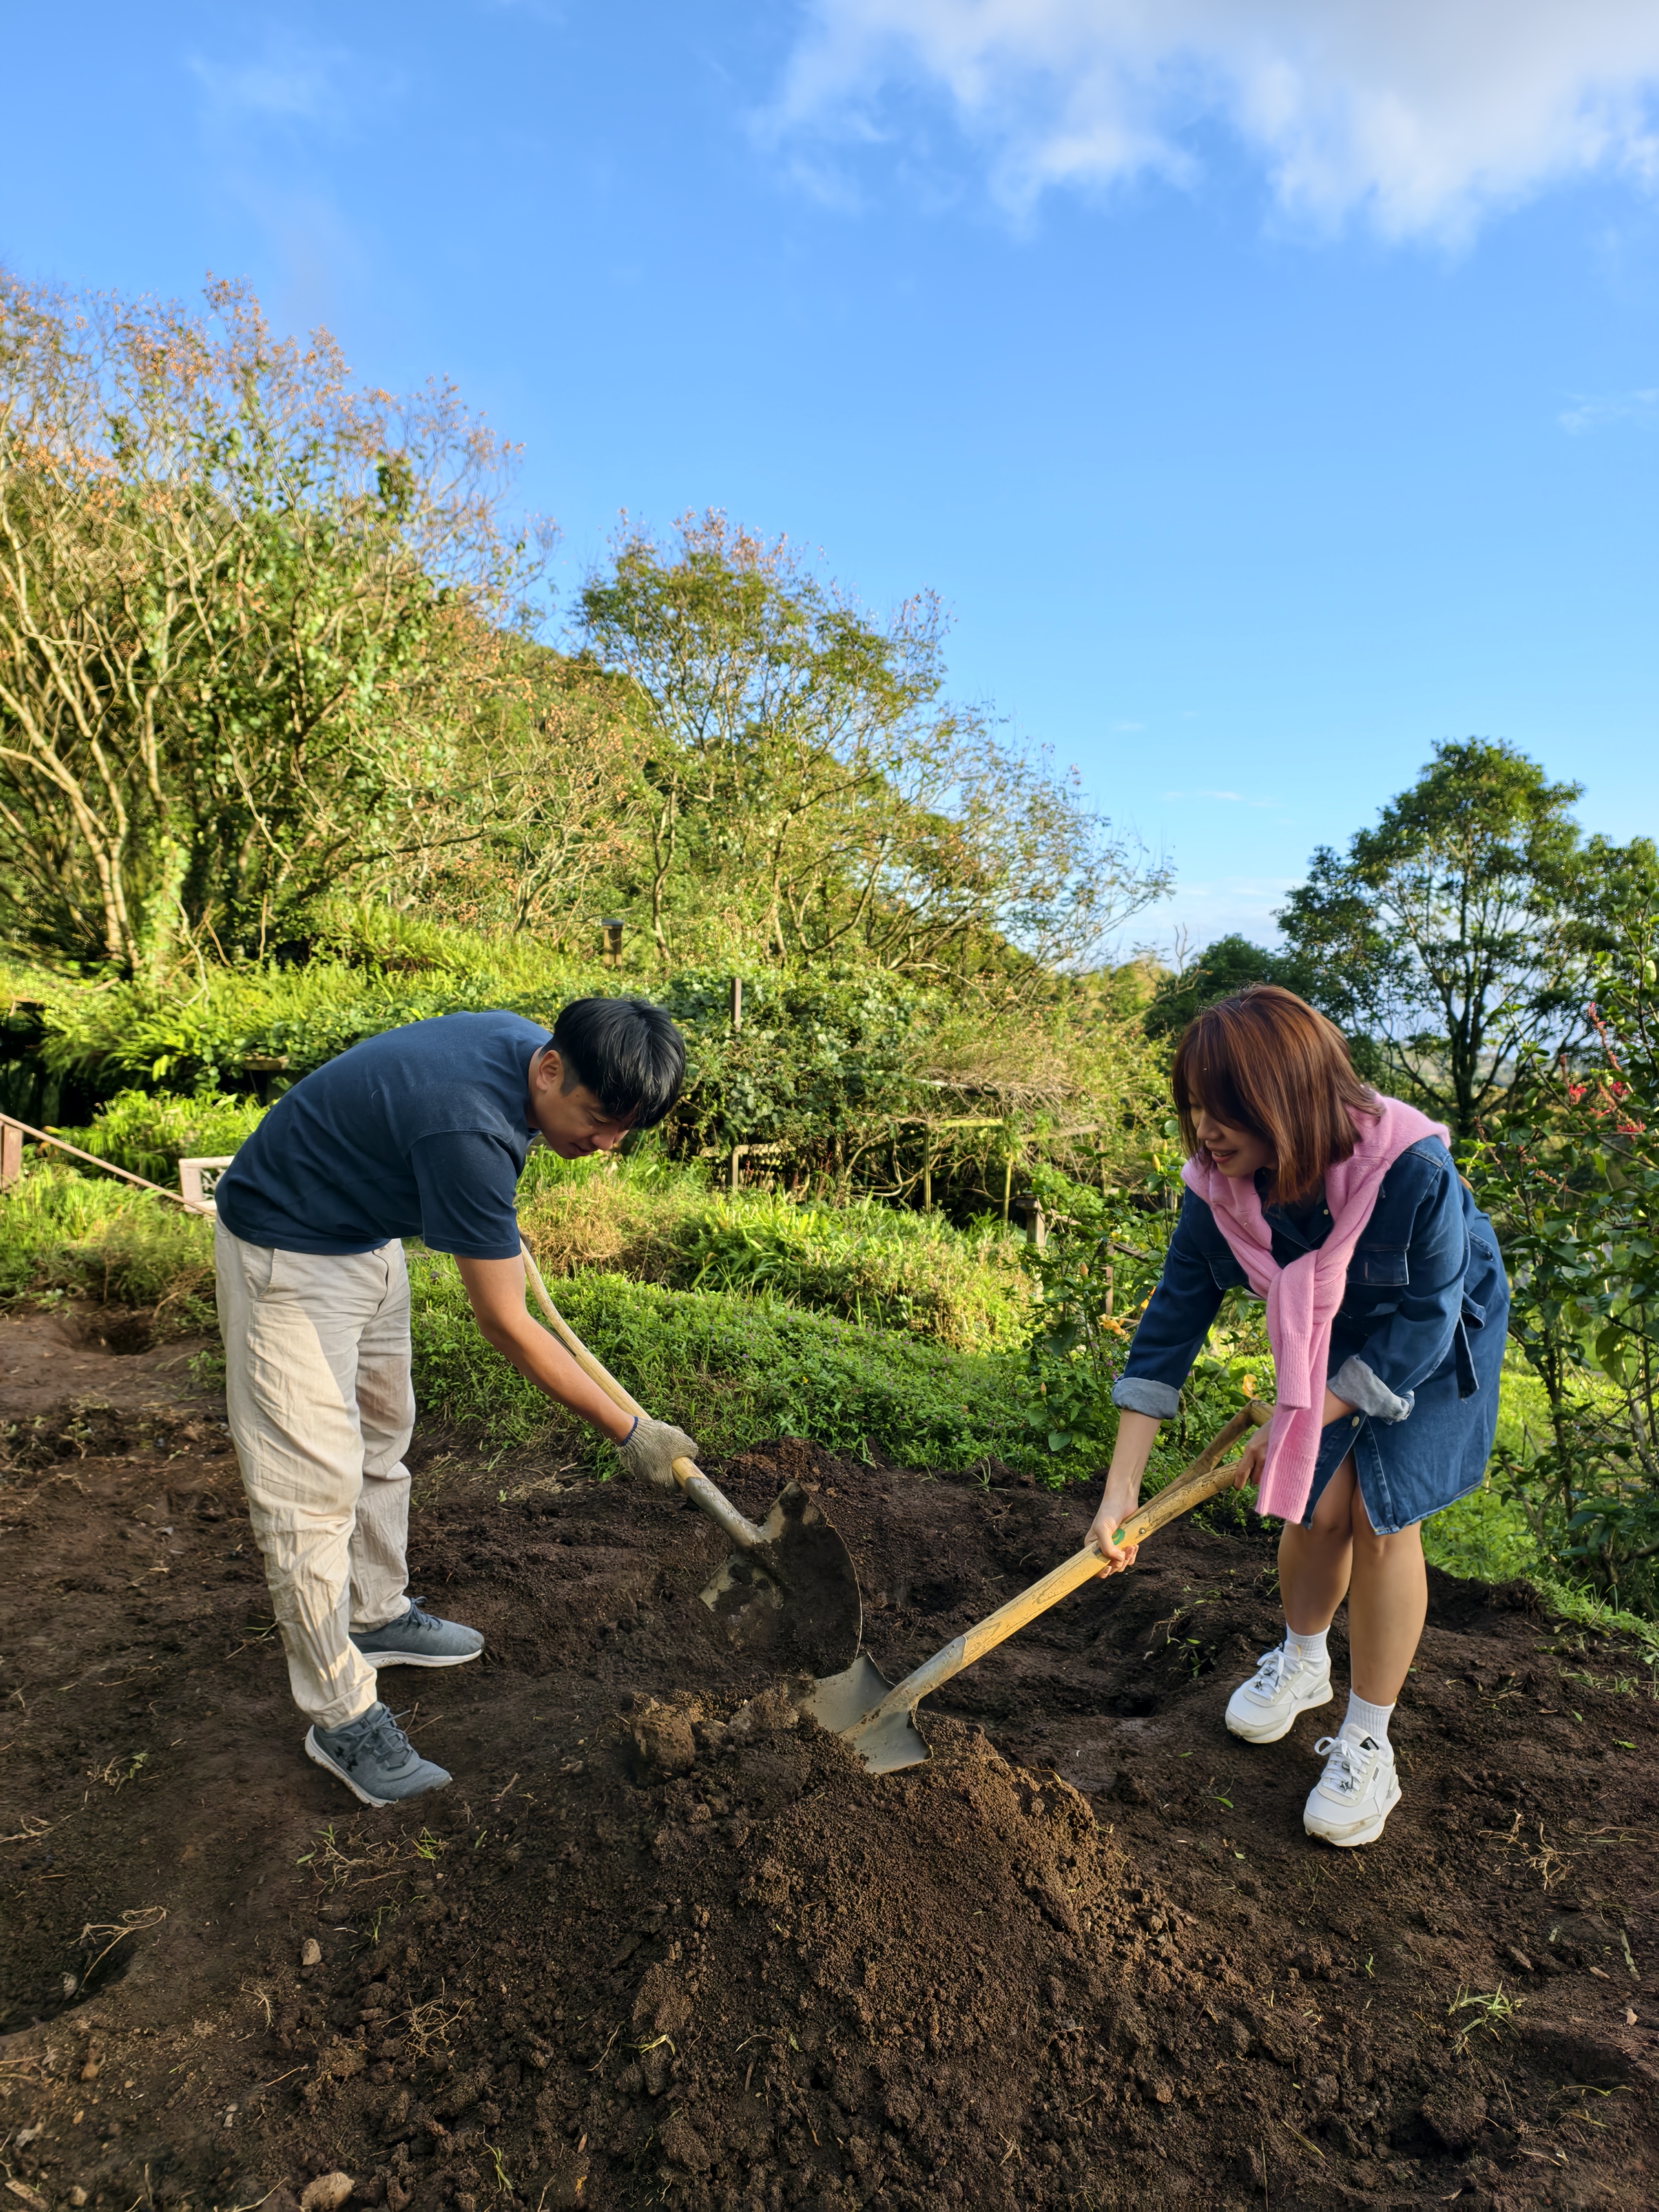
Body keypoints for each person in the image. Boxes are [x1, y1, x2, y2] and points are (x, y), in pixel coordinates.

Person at [212, 998, 696, 1809]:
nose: (609, 1145)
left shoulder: (524, 1052)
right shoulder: (467, 1132)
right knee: (311, 1489)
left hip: (363, 1233)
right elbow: (507, 1323)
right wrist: (631, 1431)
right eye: (600, 1120)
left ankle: (372, 1609)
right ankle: (340, 1715)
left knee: (381, 1435)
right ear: (549, 1069)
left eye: (627, 1129)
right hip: (285, 1251)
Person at [1087, 986, 1507, 1847]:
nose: (1205, 1128)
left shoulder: (1411, 1171)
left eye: (1227, 1107)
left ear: (1294, 1097)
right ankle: (1304, 1662)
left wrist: (1300, 1423)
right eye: (1195, 1104)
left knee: (1380, 1516)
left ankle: (1367, 1741)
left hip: (1437, 1324)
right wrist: (1119, 1492)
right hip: (1328, 1325)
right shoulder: (1216, 1193)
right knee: (1316, 1506)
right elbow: (1168, 1327)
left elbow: (1422, 1320)